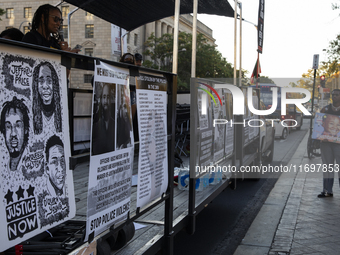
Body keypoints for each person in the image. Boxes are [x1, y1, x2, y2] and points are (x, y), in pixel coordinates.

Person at [318, 89, 340, 197]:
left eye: (336, 95)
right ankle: (327, 190)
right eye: (333, 95)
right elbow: (318, 123)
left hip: (339, 144)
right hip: (326, 143)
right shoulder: (325, 109)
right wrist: (320, 136)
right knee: (327, 167)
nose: (334, 96)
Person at [32, 61, 62, 135]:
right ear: (36, 85)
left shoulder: (62, 114)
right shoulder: (30, 115)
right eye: (41, 81)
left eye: (49, 81)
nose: (45, 86)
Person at [0, 96, 29, 172]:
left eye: (18, 126)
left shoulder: (31, 166)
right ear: (3, 131)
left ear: (25, 129)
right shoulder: (3, 170)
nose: (13, 133)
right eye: (8, 126)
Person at [92, 83, 115, 155]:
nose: (106, 101)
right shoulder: (96, 126)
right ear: (101, 99)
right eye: (104, 97)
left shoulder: (115, 124)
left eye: (108, 97)